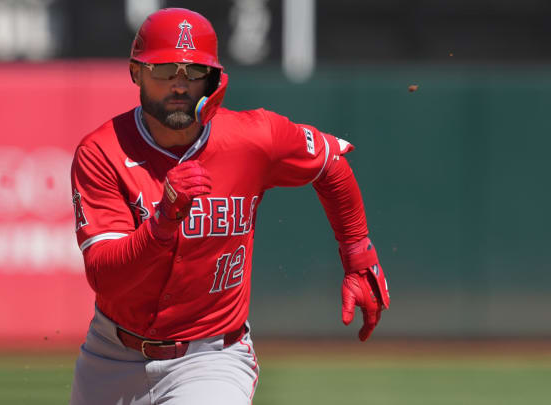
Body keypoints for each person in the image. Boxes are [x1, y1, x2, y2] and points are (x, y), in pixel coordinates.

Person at [69, 7, 390, 405]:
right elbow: (105, 277)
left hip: (211, 357)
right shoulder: (102, 151)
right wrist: (163, 223)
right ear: (136, 72)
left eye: (193, 72)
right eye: (166, 70)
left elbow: (331, 164)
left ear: (214, 79)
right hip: (110, 355)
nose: (180, 85)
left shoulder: (254, 138)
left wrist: (358, 254)